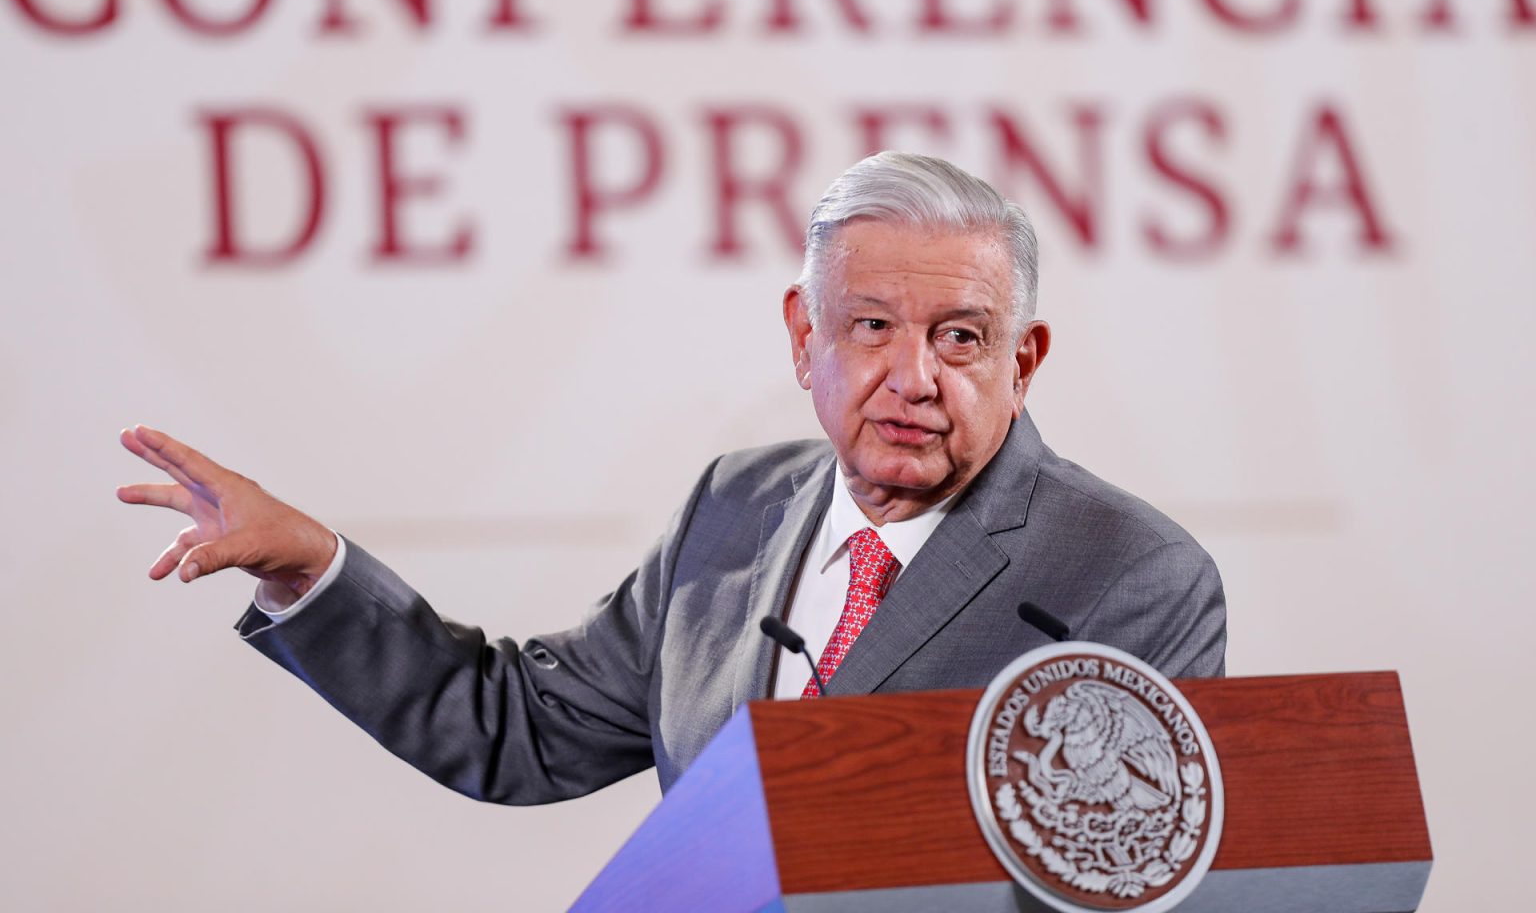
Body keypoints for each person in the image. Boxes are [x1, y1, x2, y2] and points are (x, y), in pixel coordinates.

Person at [118, 152, 1225, 802]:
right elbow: (517, 727)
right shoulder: (737, 510)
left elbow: (1123, 867)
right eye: (872, 325)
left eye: (963, 337)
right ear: (804, 340)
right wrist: (310, 568)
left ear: (1024, 361)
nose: (913, 377)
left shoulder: (1128, 574)